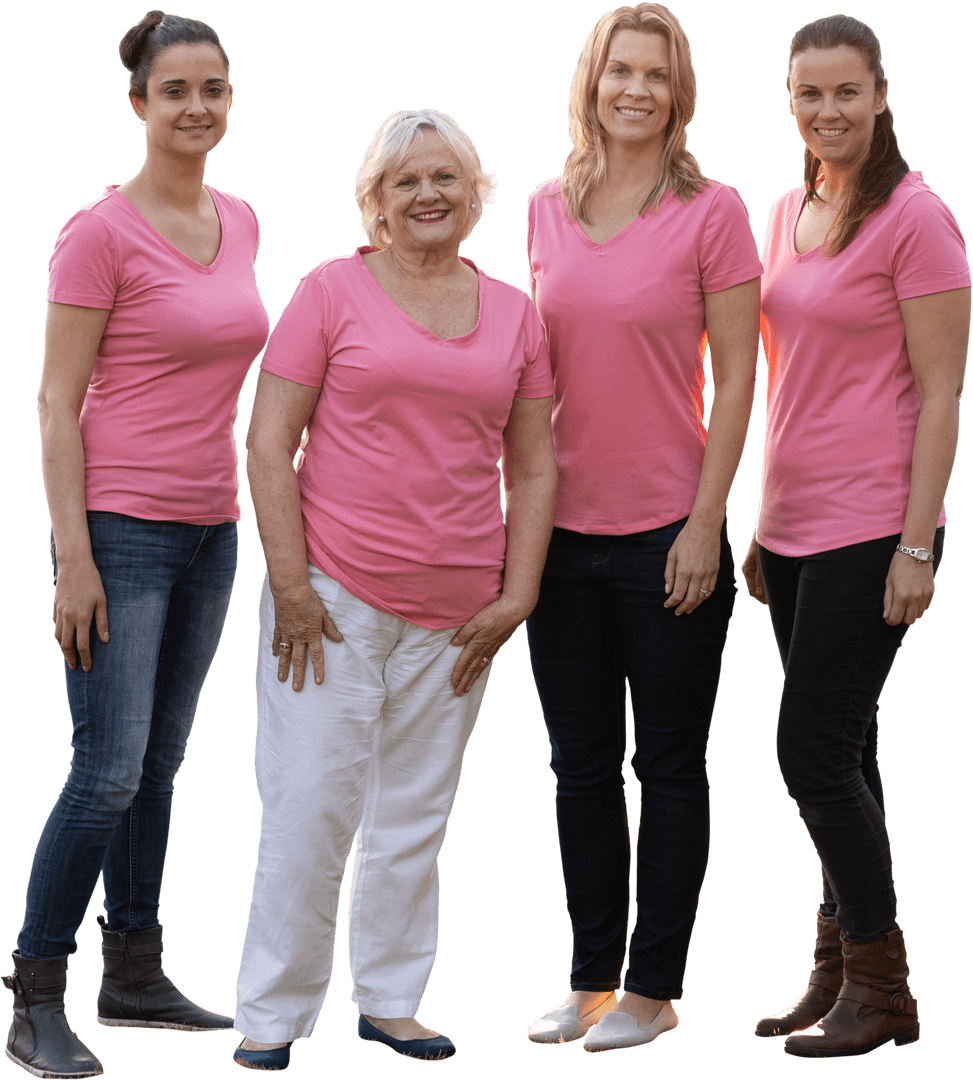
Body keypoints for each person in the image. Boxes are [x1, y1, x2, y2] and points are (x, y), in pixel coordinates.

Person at [232, 108, 556, 1071]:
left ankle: (390, 1001)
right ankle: (271, 1015)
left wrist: (521, 591)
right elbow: (267, 442)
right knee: (307, 807)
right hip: (330, 597)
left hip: (461, 612)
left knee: (413, 813)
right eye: (406, 181)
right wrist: (291, 585)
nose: (428, 195)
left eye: (446, 178)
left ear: (474, 192)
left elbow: (534, 467)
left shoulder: (515, 313)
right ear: (375, 198)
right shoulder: (330, 288)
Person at [2, 11, 269, 1080]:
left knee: (159, 768)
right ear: (138, 105)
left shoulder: (242, 219)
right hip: (118, 529)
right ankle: (33, 994)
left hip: (213, 528)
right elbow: (54, 400)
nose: (197, 107)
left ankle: (137, 971)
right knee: (105, 772)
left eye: (214, 88)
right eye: (176, 92)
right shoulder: (98, 232)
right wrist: (72, 556)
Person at [523, 2, 761, 1054]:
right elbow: (527, 371)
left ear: (678, 92)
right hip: (558, 539)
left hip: (670, 528)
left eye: (654, 74)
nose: (634, 89)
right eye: (618, 69)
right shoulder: (540, 205)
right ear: (591, 81)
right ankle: (588, 981)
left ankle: (654, 990)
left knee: (666, 767)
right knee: (577, 768)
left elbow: (739, 370)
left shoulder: (712, 211)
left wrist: (707, 523)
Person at [741, 13, 970, 1059]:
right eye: (807, 95)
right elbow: (788, 379)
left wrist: (919, 542)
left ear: (880, 96)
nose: (825, 112)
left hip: (873, 529)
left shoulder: (918, 218)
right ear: (789, 103)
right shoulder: (787, 210)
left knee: (810, 753)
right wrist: (758, 522)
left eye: (844, 93)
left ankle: (885, 987)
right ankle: (835, 975)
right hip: (792, 528)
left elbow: (940, 393)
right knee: (851, 753)